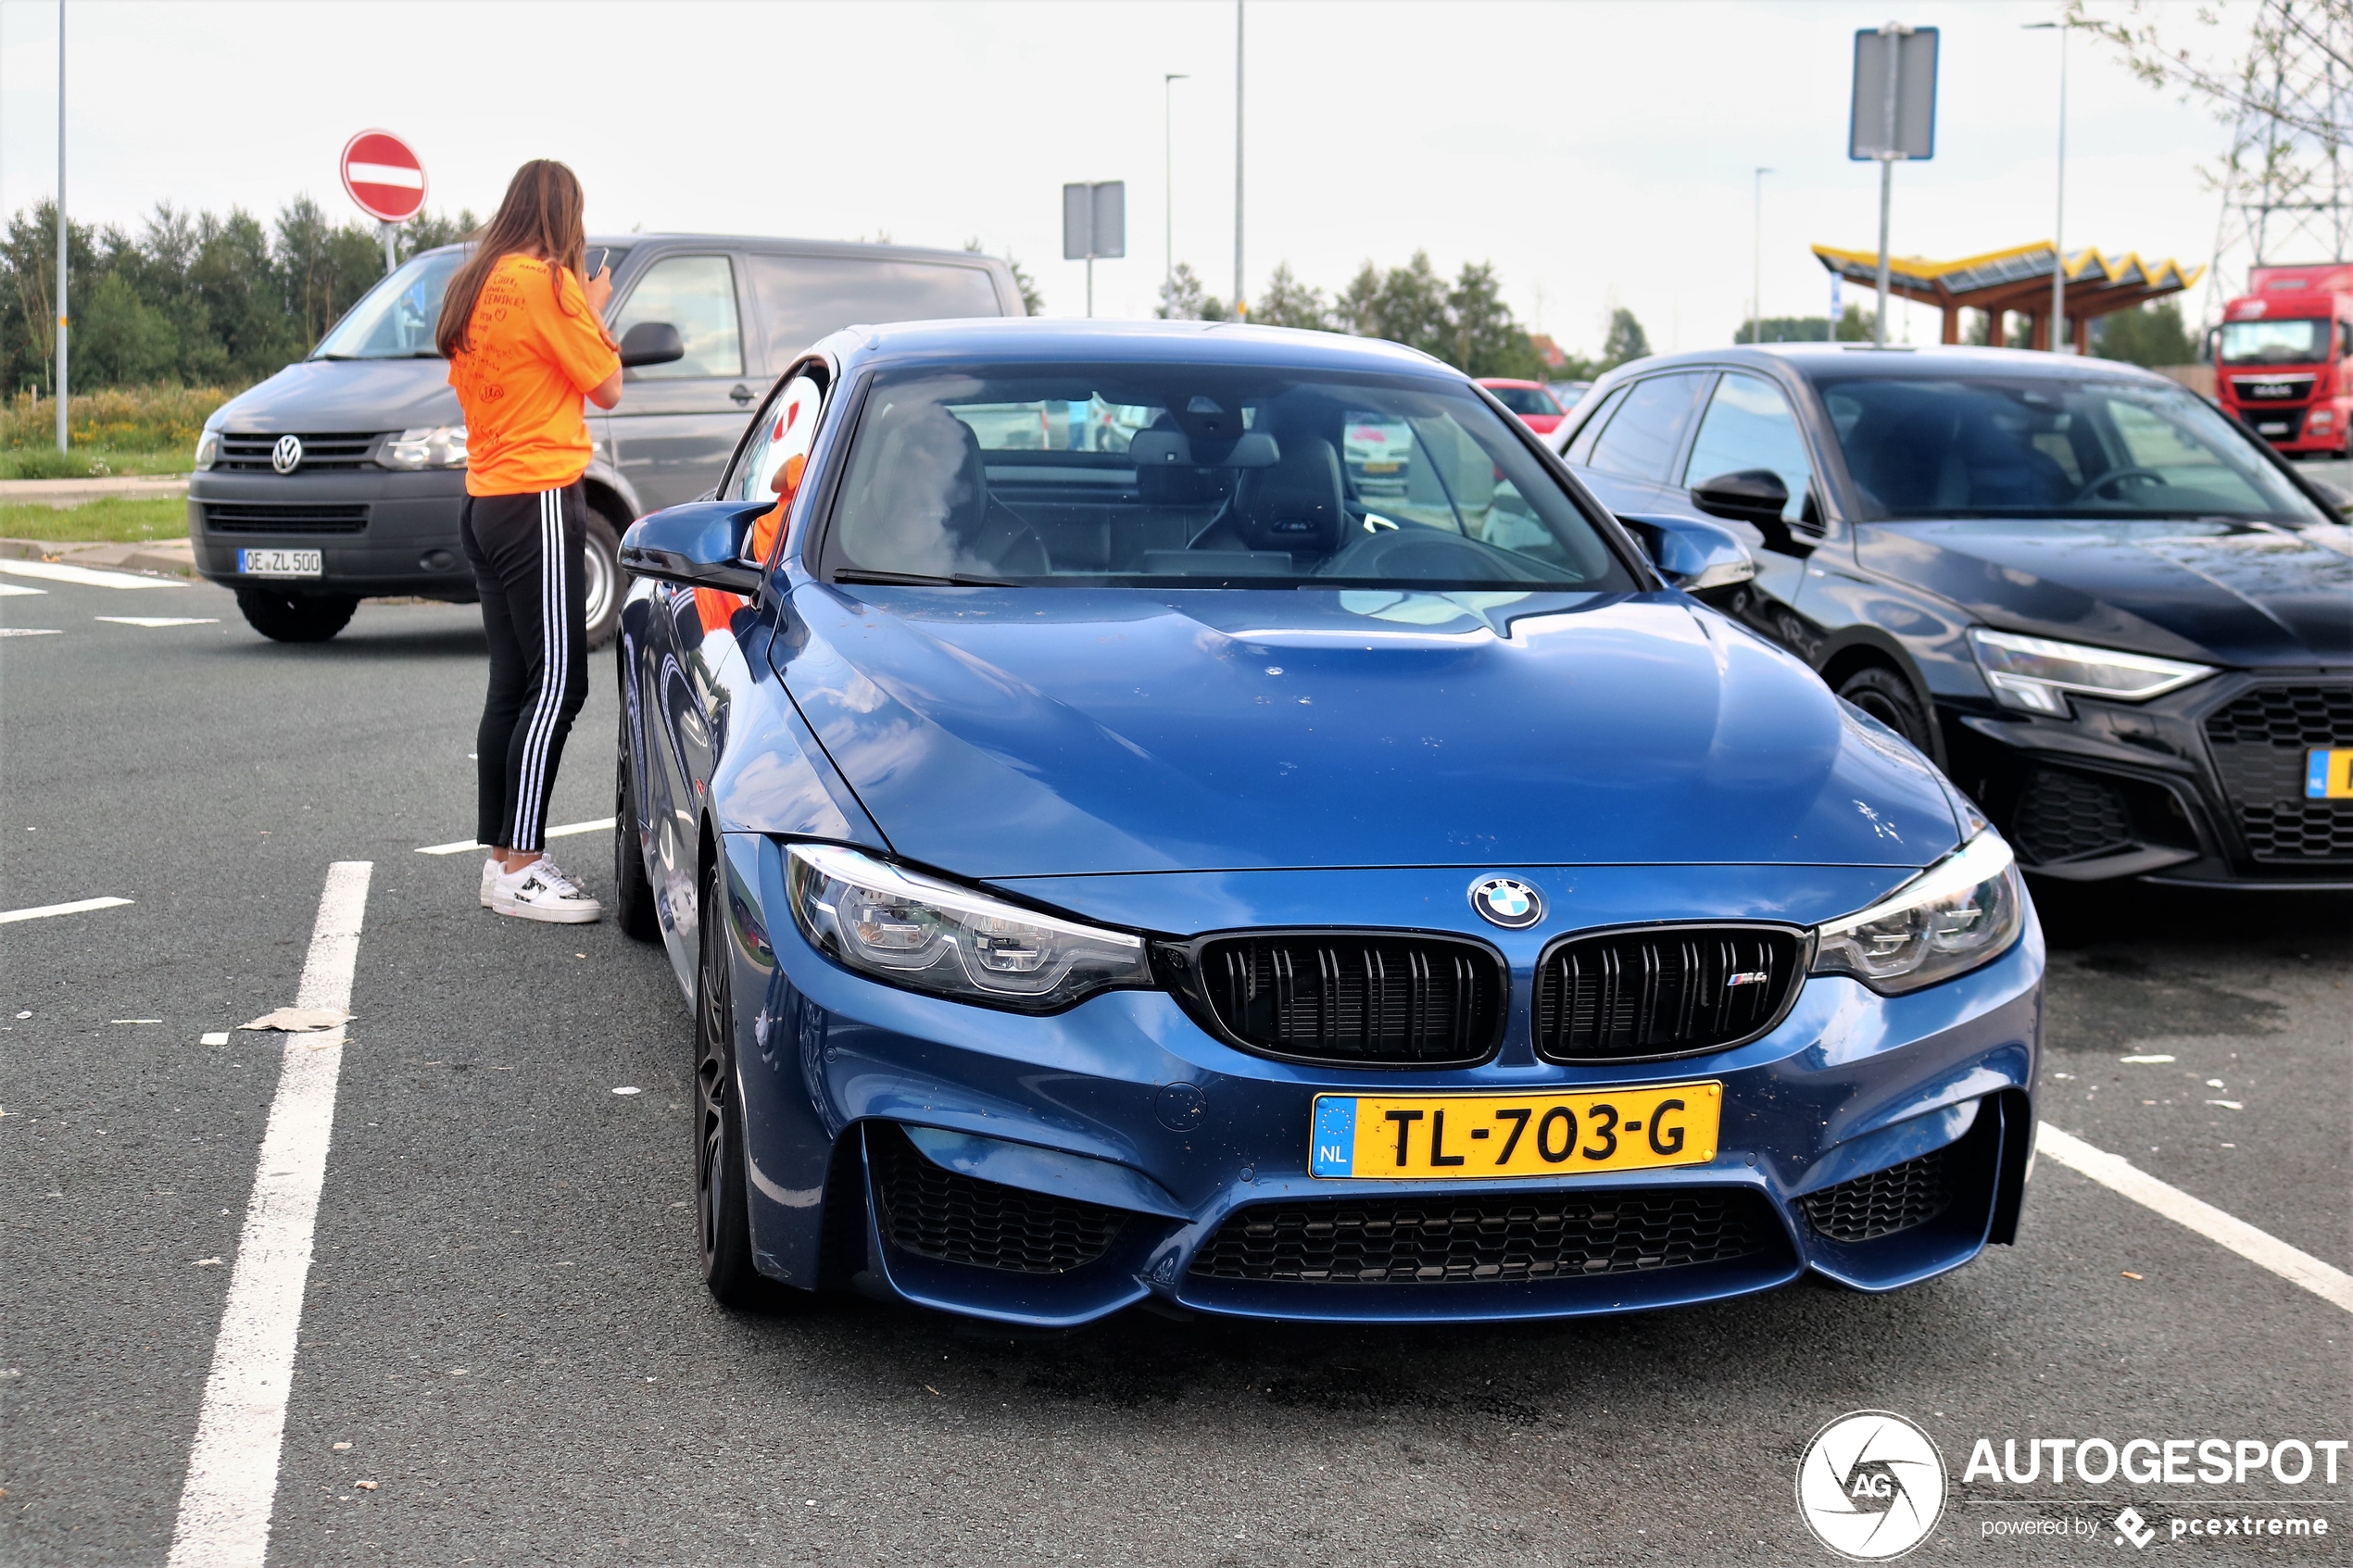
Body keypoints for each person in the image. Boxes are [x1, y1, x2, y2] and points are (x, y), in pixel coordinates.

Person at [434, 159, 622, 923]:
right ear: (565, 218)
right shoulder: (551, 284)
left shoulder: (472, 284)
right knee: (558, 683)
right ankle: (519, 865)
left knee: (512, 682)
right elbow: (606, 384)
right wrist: (593, 306)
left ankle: (503, 859)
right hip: (539, 496)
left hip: (484, 500)